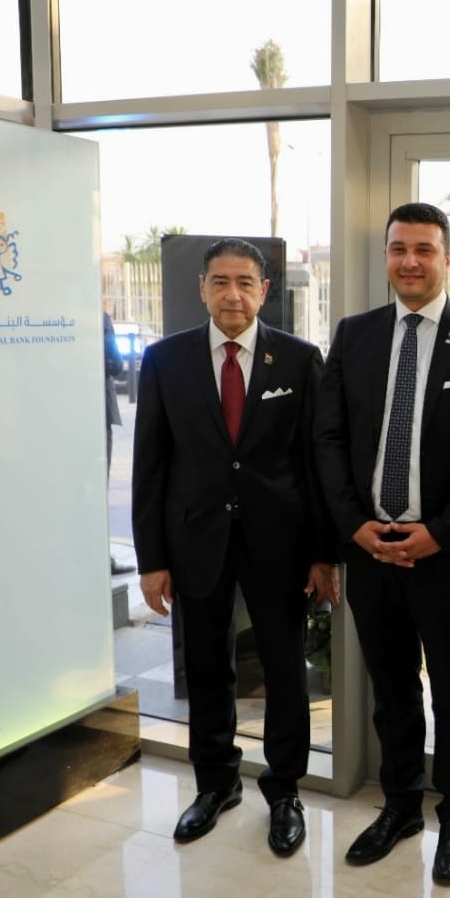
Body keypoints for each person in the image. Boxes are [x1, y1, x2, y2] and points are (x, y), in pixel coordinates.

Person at [315, 202, 450, 885]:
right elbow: (330, 437)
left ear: (447, 258)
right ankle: (401, 805)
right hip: (371, 548)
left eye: (424, 249)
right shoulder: (354, 335)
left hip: (448, 555)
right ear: (386, 256)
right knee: (391, 688)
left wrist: (439, 532)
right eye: (399, 248)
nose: (410, 261)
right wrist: (355, 525)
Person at [132, 238, 338, 856]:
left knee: (284, 669)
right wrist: (152, 560)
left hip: (280, 543)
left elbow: (316, 464)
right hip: (196, 539)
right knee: (207, 667)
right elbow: (150, 466)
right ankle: (215, 783)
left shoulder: (298, 359)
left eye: (245, 282)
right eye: (220, 282)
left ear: (264, 291)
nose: (232, 294)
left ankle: (285, 790)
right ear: (202, 289)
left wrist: (324, 553)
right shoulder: (164, 360)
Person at [103, 308, 134, 575]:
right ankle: (101, 556)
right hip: (98, 413)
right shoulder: (98, 318)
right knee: (97, 487)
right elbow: (115, 365)